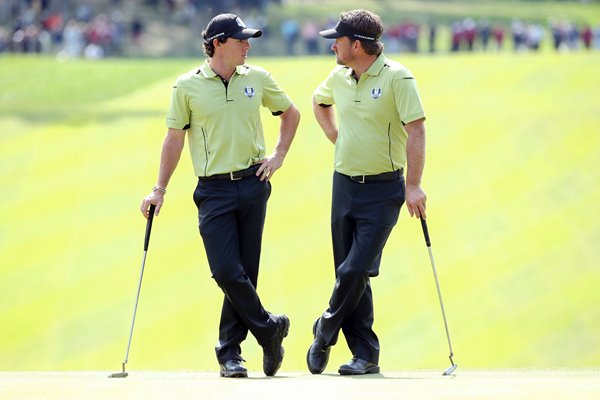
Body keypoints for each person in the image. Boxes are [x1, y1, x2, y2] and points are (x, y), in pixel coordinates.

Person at [140, 13, 300, 378]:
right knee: (226, 270)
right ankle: (268, 329)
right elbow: (175, 137)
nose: (248, 45)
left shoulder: (257, 79)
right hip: (213, 189)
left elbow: (290, 114)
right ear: (217, 44)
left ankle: (231, 353)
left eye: (249, 40)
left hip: (253, 183)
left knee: (246, 271)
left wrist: (278, 156)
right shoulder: (187, 86)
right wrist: (159, 189)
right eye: (240, 39)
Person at [307, 9, 427, 375]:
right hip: (343, 184)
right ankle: (365, 355)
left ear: (357, 45)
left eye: (337, 42)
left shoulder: (397, 78)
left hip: (383, 188)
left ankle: (325, 330)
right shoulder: (339, 76)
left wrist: (413, 185)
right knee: (351, 273)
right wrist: (336, 137)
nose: (333, 48)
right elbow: (318, 101)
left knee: (355, 268)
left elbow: (417, 131)